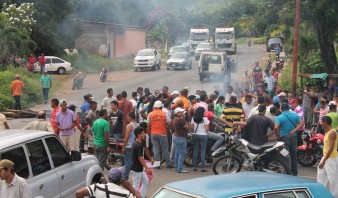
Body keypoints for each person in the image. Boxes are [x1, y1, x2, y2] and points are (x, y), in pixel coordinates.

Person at [274, 102, 304, 176]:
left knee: (286, 155)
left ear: (281, 109)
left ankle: (288, 172)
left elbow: (275, 127)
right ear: (288, 108)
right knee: (294, 155)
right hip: (293, 137)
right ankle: (294, 173)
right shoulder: (294, 115)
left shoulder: (280, 117)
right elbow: (302, 123)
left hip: (284, 138)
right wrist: (294, 130)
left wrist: (278, 136)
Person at [75, 167, 140, 198]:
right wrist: (130, 188)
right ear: (121, 181)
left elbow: (78, 193)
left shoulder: (96, 187)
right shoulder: (125, 194)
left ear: (108, 178)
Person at [317, 116, 338, 197]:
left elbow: (331, 148)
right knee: (321, 178)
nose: (321, 123)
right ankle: (320, 194)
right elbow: (326, 145)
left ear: (325, 122)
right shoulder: (327, 132)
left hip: (331, 158)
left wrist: (324, 160)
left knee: (333, 181)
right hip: (325, 157)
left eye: (322, 122)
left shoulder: (332, 132)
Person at [147, 101, 173, 168]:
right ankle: (168, 163)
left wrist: (148, 133)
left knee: (156, 149)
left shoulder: (150, 114)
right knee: (165, 149)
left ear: (154, 107)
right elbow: (169, 123)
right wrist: (165, 125)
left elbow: (148, 125)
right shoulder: (164, 114)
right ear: (161, 107)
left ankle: (157, 164)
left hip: (153, 133)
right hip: (162, 133)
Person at [130, 127, 153, 198]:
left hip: (139, 168)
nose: (144, 134)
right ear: (138, 134)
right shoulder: (138, 145)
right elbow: (140, 158)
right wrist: (147, 168)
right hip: (136, 169)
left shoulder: (137, 143)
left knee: (145, 181)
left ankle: (141, 196)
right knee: (135, 187)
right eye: (143, 133)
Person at [191, 107, 210, 172]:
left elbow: (191, 127)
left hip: (196, 135)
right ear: (202, 112)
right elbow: (207, 129)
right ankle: (203, 167)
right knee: (203, 151)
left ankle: (195, 166)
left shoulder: (193, 118)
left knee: (195, 150)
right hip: (203, 135)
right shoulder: (205, 119)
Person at [172, 107, 190, 173]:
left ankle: (177, 167)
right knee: (181, 154)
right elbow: (187, 127)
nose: (183, 113)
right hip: (181, 137)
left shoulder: (174, 119)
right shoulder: (180, 120)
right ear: (177, 113)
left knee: (177, 153)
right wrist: (185, 119)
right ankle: (180, 168)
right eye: (181, 112)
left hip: (176, 137)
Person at [122, 112, 139, 180]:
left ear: (129, 117)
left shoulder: (129, 126)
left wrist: (123, 147)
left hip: (129, 145)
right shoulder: (138, 125)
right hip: (136, 144)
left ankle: (125, 176)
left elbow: (126, 137)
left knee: (128, 162)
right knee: (134, 161)